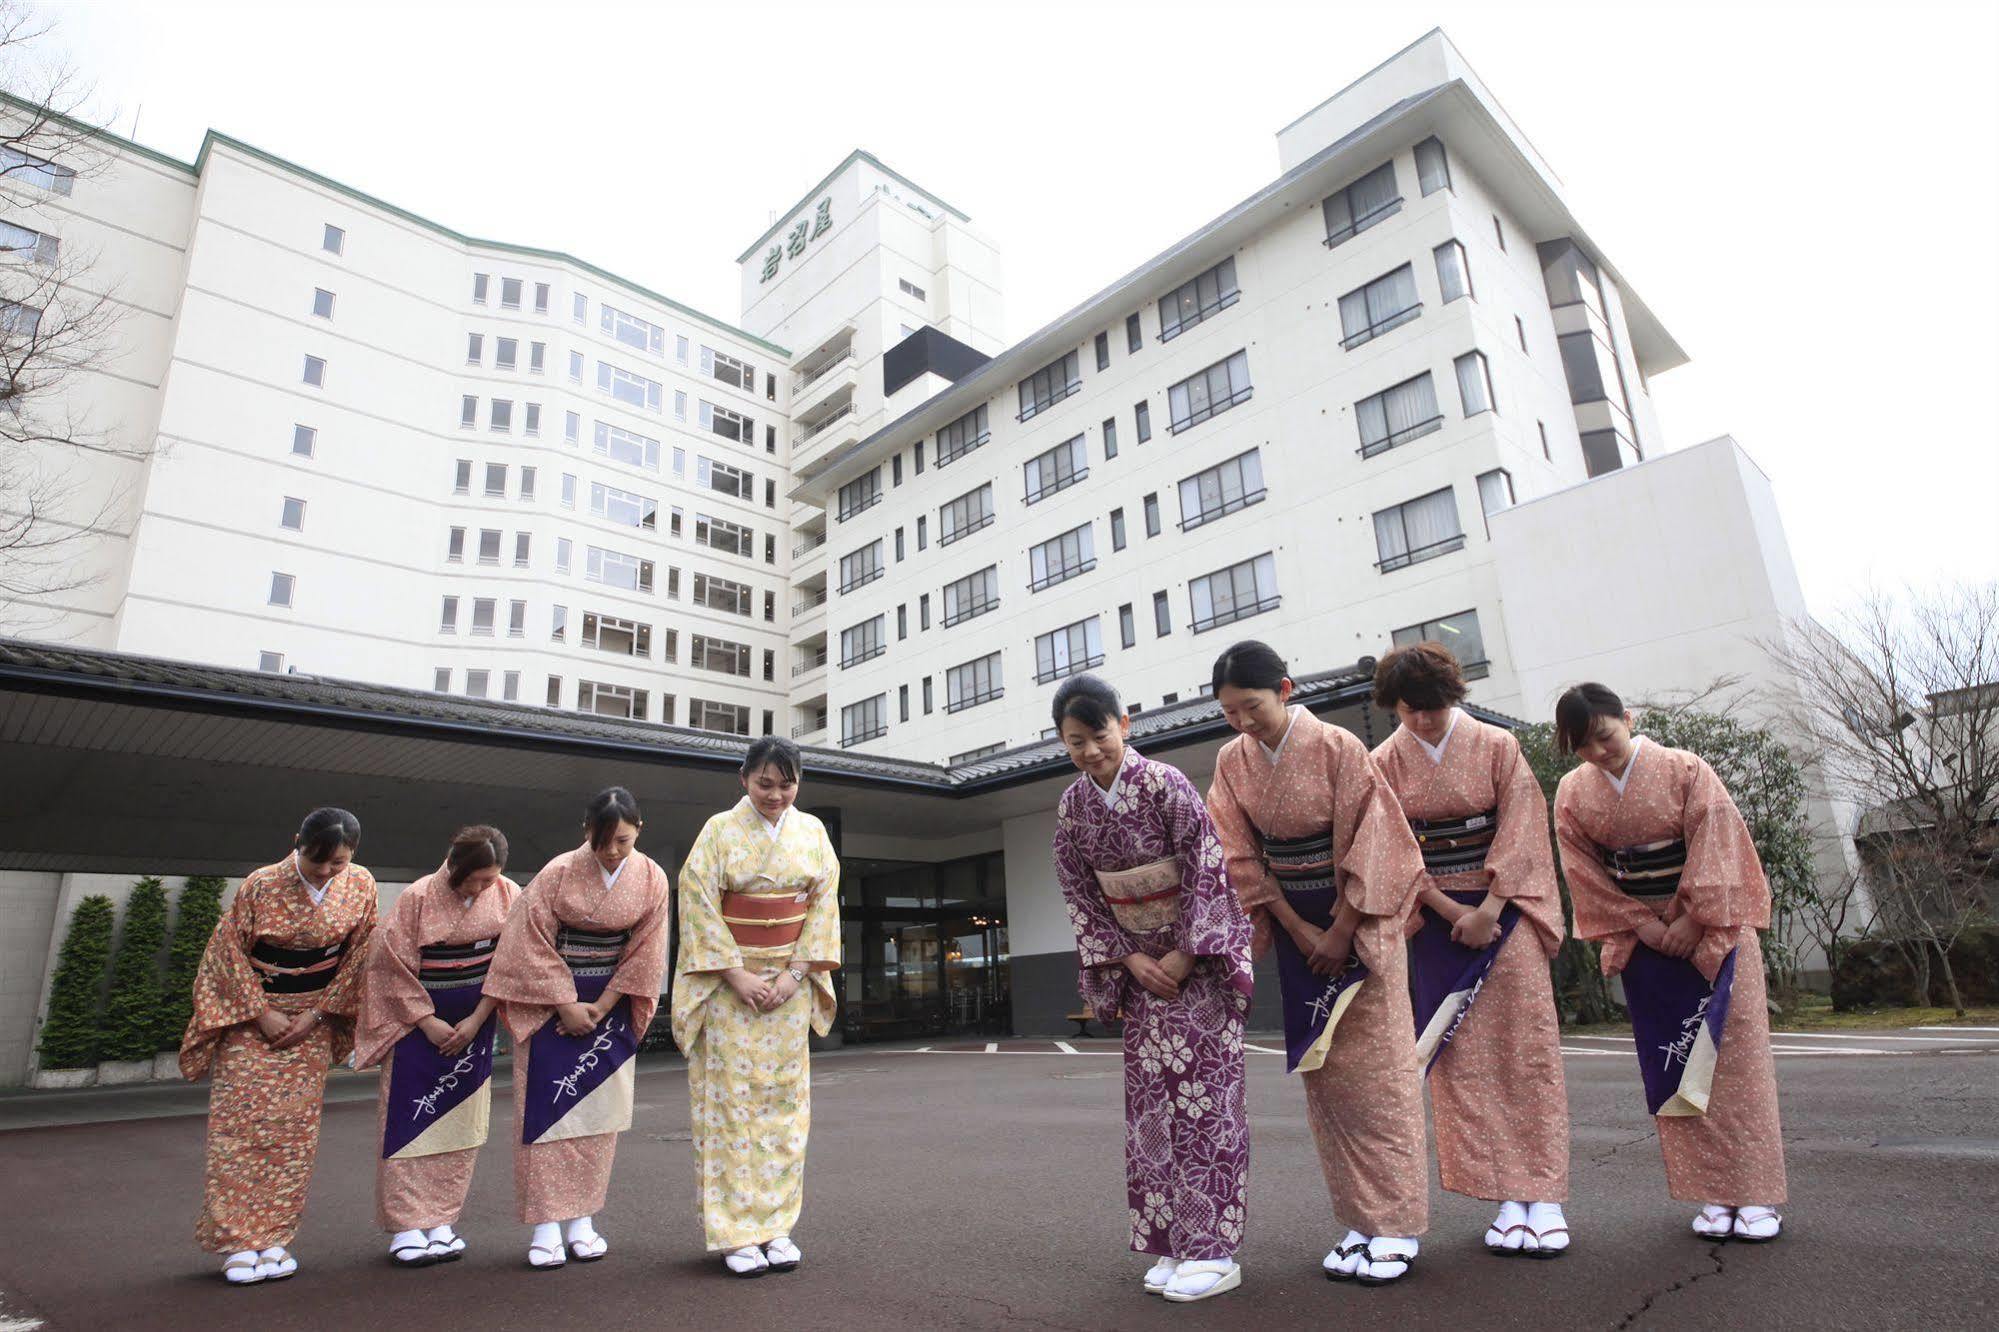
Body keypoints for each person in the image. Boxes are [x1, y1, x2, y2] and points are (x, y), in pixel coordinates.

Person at [1203, 642, 1430, 1286]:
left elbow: (1378, 840)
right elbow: (1238, 853)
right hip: (1297, 928)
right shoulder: (1231, 761)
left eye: (1251, 706)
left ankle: (1398, 1226)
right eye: (1229, 713)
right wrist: (1299, 928)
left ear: (1285, 688)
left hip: (1355, 927)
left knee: (1381, 1080)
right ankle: (1360, 1220)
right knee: (1328, 1085)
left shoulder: (1336, 746)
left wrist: (1343, 926)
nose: (1242, 722)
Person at [1551, 683, 1787, 1242]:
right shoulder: (1571, 793)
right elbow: (1582, 869)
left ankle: (1756, 1195)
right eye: (1583, 746)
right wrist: (1644, 924)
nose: (1597, 753)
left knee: (1736, 1063)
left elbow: (1718, 842)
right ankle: (1711, 1193)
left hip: (1713, 929)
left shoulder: (1685, 769)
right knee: (1674, 1060)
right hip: (1645, 939)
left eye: (1604, 736)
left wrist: (1691, 918)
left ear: (1627, 718)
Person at [1049, 675, 1253, 1303]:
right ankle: (1170, 1242)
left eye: (1098, 734)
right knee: (1152, 1114)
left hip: (1197, 969)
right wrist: (1130, 960)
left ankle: (1214, 1249)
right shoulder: (1073, 808)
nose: (1089, 751)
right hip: (1142, 975)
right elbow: (1082, 892)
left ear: (1125, 725)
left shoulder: (1166, 785)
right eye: (1074, 741)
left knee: (1204, 1106)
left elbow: (1206, 867)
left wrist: (1187, 954)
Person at [1369, 644, 1571, 1257]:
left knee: (1525, 1050)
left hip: (1504, 917)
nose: (1423, 721)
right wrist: (1446, 907)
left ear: (1452, 696)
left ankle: (1548, 1195)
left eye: (1432, 708)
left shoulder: (1496, 746)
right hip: (1435, 925)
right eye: (1410, 710)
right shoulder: (1384, 761)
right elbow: (1391, 848)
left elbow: (1522, 828)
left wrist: (1489, 907)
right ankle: (1506, 1195)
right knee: (1463, 1060)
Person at [180, 807, 378, 1286]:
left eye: (339, 862)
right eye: (319, 862)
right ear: (298, 843)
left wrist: (316, 1015)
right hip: (253, 1019)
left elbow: (359, 956)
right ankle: (235, 1242)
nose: (329, 871)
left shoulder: (362, 884)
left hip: (312, 1021)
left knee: (293, 1136)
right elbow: (226, 954)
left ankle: (274, 1237)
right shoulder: (261, 884)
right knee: (239, 1130)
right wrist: (261, 1012)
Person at [672, 736, 842, 1278]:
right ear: (742, 779)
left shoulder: (812, 832)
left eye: (786, 783)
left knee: (784, 1109)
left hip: (788, 992)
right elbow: (697, 901)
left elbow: (823, 906)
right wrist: (736, 974)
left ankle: (776, 1226)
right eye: (764, 783)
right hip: (729, 989)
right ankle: (734, 1232)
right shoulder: (719, 832)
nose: (775, 794)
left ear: (800, 783)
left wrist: (795, 975)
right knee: (729, 1109)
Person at [484, 787, 671, 1269]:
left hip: (608, 1008)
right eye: (603, 840)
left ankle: (584, 1219)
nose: (612, 851)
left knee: (595, 1116)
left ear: (639, 830)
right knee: (546, 1115)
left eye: (623, 841)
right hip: (551, 1009)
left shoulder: (651, 877)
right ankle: (546, 1225)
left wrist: (607, 1003)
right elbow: (526, 940)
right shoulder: (557, 872)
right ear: (585, 830)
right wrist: (565, 1003)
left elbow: (648, 949)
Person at [354, 825, 520, 1267]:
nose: (485, 887)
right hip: (417, 1028)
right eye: (477, 878)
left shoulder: (508, 895)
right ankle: (407, 1227)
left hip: (474, 1025)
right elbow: (388, 968)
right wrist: (426, 1022)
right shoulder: (418, 897)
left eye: (491, 878)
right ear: (454, 866)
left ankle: (442, 1220)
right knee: (409, 1120)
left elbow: (511, 964)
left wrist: (478, 1019)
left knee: (460, 1125)